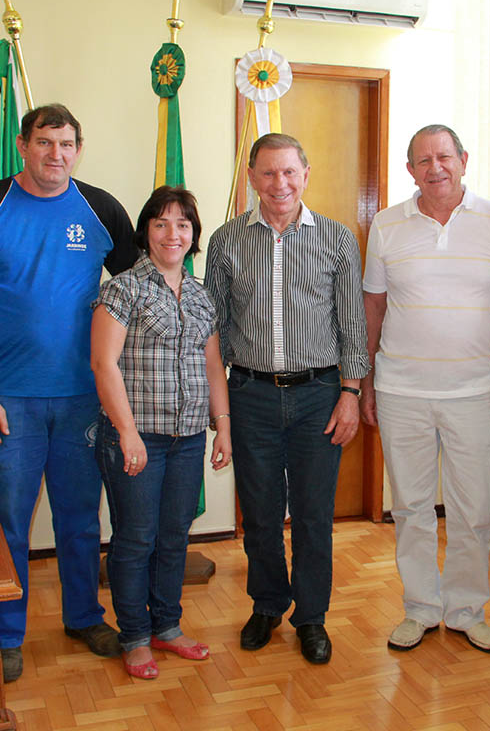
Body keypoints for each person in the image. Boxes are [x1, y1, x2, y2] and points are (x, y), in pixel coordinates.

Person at [0, 104, 136, 682]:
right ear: (23, 145)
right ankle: (3, 634)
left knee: (79, 518)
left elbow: (137, 295)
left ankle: (82, 615)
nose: (57, 154)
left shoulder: (101, 210)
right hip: (8, 401)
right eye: (45, 142)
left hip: (82, 398)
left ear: (79, 149)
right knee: (7, 524)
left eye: (68, 144)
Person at [360, 124, 490, 654]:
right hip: (400, 390)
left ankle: (466, 609)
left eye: (444, 157)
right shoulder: (387, 225)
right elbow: (373, 308)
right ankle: (421, 609)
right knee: (410, 507)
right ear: (410, 169)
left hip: (473, 391)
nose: (435, 168)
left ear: (464, 160)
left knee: (473, 507)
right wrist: (362, 381)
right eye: (423, 160)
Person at [205, 133, 368, 665]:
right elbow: (217, 328)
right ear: (252, 176)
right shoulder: (227, 241)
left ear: (306, 173)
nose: (280, 184)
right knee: (260, 512)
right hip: (250, 392)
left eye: (289, 172)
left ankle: (312, 618)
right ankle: (268, 604)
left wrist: (350, 392)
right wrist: (220, 403)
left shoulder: (338, 240)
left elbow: (351, 324)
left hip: (319, 395)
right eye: (268, 173)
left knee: (315, 513)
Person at [90, 186, 232, 680]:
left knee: (174, 537)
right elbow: (103, 364)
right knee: (135, 539)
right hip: (137, 438)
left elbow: (214, 366)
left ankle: (166, 628)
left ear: (194, 236)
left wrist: (223, 428)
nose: (173, 234)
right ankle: (133, 635)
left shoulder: (199, 294)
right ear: (146, 231)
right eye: (161, 223)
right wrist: (126, 433)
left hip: (189, 436)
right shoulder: (122, 289)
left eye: (183, 225)